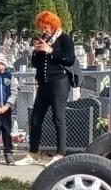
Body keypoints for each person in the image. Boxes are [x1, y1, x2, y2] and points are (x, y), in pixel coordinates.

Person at [18, 10, 76, 166]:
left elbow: (69, 59)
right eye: (42, 27)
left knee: (58, 118)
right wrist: (37, 51)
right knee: (35, 119)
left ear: (53, 24)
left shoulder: (64, 39)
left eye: (46, 26)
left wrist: (51, 51)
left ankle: (60, 154)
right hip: (43, 84)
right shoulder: (43, 39)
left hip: (59, 82)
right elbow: (36, 64)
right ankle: (33, 153)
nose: (44, 30)